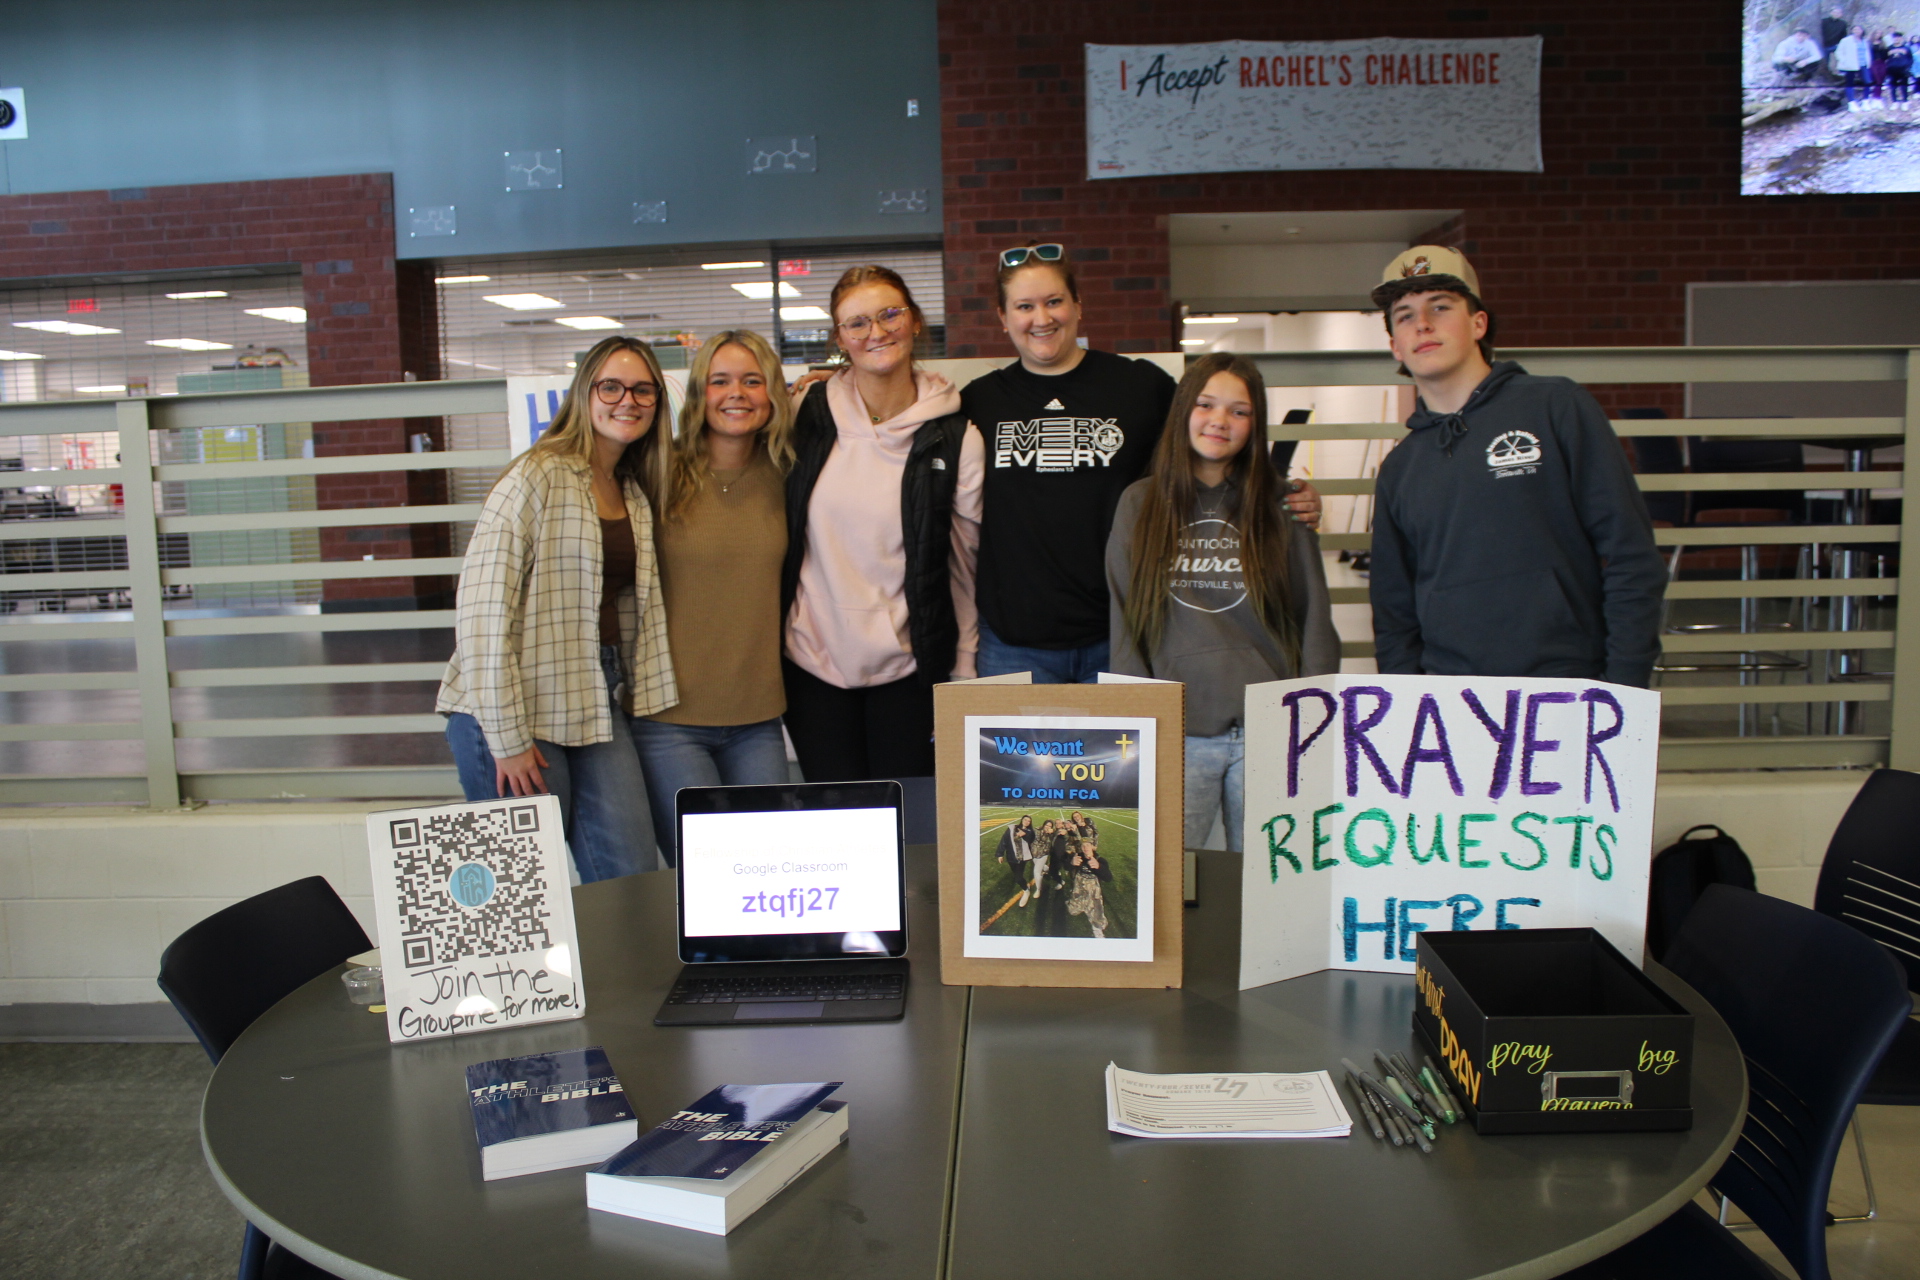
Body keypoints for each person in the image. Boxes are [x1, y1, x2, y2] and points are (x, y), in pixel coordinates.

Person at [960, 243, 1321, 683]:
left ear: (1078, 305)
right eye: (1024, 306)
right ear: (1003, 317)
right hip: (1013, 643)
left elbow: (1214, 449)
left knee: (1121, 756)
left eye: (1054, 301)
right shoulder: (978, 401)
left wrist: (1283, 496)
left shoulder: (1139, 386)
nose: (1042, 318)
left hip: (1124, 633)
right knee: (1017, 756)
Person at [1366, 246, 1665, 691]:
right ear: (1395, 345)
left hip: (1569, 685)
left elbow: (1631, 555)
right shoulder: (1400, 467)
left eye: (1440, 307)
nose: (1422, 324)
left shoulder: (1555, 406)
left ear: (1478, 323)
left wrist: (1622, 685)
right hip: (1450, 696)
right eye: (1405, 315)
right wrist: (1409, 702)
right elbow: (1394, 611)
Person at [437, 335, 677, 882]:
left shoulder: (632, 489)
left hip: (592, 695)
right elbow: (481, 615)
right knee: (527, 888)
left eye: (644, 390)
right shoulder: (537, 475)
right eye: (611, 387)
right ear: (583, 394)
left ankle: (616, 972)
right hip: (511, 705)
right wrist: (507, 738)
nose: (628, 401)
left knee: (631, 874)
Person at [1107, 352, 1341, 853]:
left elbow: (1314, 618)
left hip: (1270, 731)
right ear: (1183, 410)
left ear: (1255, 425)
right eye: (1207, 404)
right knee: (1170, 881)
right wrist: (1139, 725)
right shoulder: (1139, 504)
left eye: (1240, 411)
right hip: (1180, 732)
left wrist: (1312, 721)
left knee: (1268, 880)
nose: (1220, 421)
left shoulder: (1281, 504)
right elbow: (1126, 625)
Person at [780, 265, 983, 780]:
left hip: (909, 672)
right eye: (858, 323)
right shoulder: (804, 413)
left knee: (909, 832)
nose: (877, 332)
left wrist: (963, 664)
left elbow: (963, 564)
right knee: (837, 834)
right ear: (840, 339)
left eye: (890, 314)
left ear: (914, 321)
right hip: (811, 666)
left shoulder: (957, 436)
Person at [629, 329, 794, 863]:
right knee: (703, 876)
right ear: (700, 393)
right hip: (669, 720)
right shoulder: (657, 470)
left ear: (773, 393)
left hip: (758, 721)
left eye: (753, 380)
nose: (736, 393)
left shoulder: (789, 473)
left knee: (766, 870)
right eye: (720, 381)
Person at [1066, 839, 1114, 939]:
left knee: (1097, 911)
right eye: (1083, 846)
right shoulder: (1078, 857)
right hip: (1079, 888)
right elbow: (1066, 867)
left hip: (1093, 891)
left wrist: (1099, 867)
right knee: (1073, 911)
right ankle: (1076, 903)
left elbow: (1109, 878)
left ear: (1092, 847)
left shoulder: (1100, 859)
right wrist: (1071, 863)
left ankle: (1097, 929)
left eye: (1088, 845)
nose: (1085, 848)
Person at [996, 814, 1035, 904]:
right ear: (1022, 820)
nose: (1026, 822)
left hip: (1022, 859)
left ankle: (1026, 890)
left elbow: (1031, 838)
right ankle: (1025, 884)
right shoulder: (1012, 828)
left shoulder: (1029, 831)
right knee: (1016, 874)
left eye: (1029, 821)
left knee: (1018, 878)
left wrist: (1024, 834)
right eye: (1025, 819)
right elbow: (1004, 840)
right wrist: (1000, 854)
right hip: (1011, 857)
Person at [1837, 25, 1872, 106]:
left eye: (1859, 29)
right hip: (1850, 65)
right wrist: (1844, 61)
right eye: (1855, 29)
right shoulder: (1846, 40)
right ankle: (1851, 102)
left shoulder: (1865, 41)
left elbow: (1867, 52)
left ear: (1862, 31)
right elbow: (1838, 52)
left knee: (1867, 82)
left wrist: (1868, 62)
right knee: (1850, 83)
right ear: (1852, 31)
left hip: (1863, 64)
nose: (1857, 31)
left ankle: (1865, 101)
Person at [1886, 33, 1912, 104]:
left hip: (1903, 70)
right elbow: (1885, 59)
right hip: (1892, 70)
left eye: (1898, 38)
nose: (1896, 39)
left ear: (1901, 39)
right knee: (1893, 86)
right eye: (1895, 38)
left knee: (1904, 86)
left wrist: (1908, 67)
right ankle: (1894, 101)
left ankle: (1905, 101)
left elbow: (1910, 59)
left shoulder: (1906, 48)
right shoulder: (1889, 48)